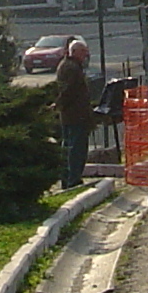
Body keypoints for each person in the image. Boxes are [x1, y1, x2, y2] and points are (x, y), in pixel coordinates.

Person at [53, 37, 96, 190]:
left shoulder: (72, 66)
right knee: (75, 149)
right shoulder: (71, 68)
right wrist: (59, 105)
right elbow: (68, 91)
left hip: (73, 115)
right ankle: (72, 179)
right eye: (83, 52)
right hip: (74, 115)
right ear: (75, 52)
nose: (86, 55)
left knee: (71, 147)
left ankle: (70, 178)